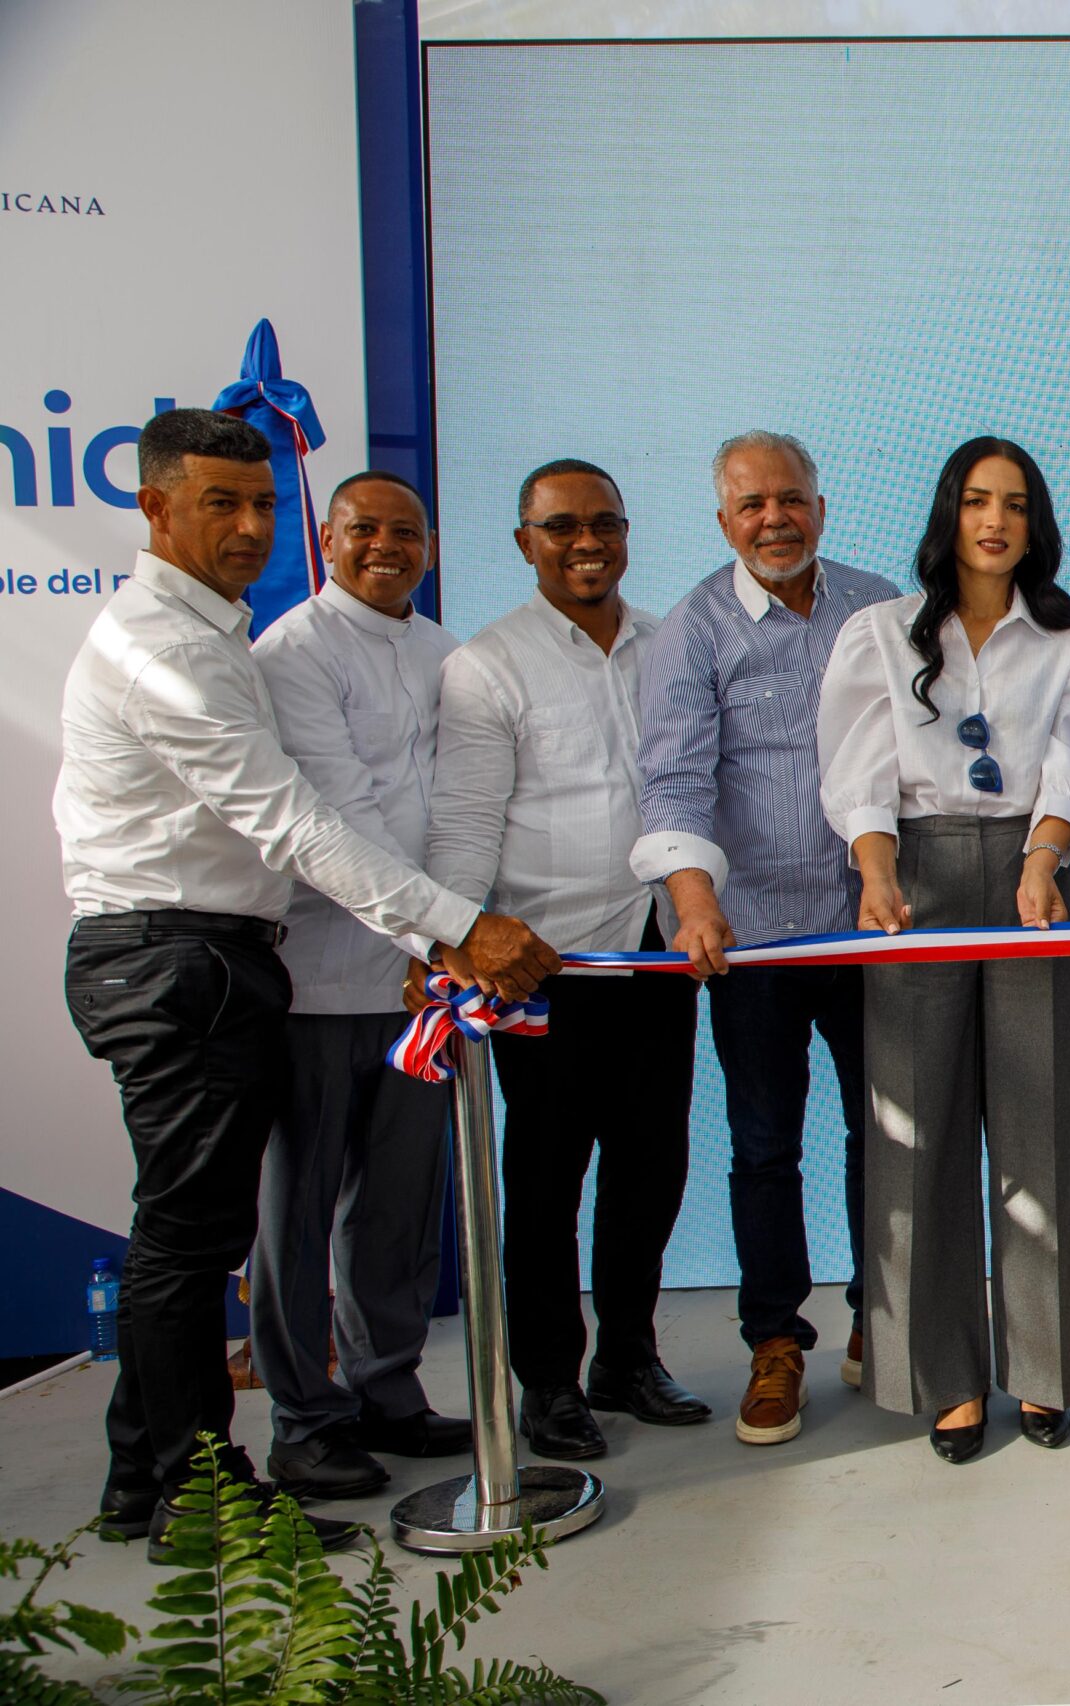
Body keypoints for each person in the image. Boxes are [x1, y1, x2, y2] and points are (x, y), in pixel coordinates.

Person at [58, 410, 555, 1561]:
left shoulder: (217, 630)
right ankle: (200, 1492)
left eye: (259, 504)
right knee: (195, 1236)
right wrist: (455, 924)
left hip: (217, 954)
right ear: (154, 507)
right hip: (173, 953)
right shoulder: (172, 647)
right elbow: (291, 819)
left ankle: (151, 1478)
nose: (246, 526)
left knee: (190, 1229)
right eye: (219, 503)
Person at [816, 437, 1070, 1465]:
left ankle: (1043, 1367)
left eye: (1016, 504)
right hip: (916, 876)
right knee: (916, 1130)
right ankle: (944, 1376)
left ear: (1036, 524)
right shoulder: (879, 632)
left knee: (1043, 1127)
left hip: (1036, 872)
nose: (995, 520)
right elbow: (857, 771)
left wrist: (1042, 858)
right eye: (978, 500)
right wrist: (877, 869)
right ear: (950, 512)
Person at [432, 458, 712, 1462]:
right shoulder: (488, 665)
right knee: (546, 1180)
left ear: (627, 532)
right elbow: (463, 824)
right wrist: (462, 937)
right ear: (523, 542)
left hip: (653, 953)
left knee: (652, 1165)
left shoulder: (669, 644)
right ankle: (547, 1378)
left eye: (604, 523)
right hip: (541, 967)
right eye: (561, 527)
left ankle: (626, 1357)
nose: (585, 542)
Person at [631, 430, 899, 1447]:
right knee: (762, 1144)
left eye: (790, 498)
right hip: (749, 941)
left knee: (890, 1134)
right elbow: (673, 781)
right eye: (752, 505)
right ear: (724, 521)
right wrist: (694, 900)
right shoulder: (690, 631)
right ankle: (774, 1340)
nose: (773, 518)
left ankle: (887, 1318)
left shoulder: (878, 606)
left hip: (872, 923)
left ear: (820, 508)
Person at [246, 471, 471, 1501]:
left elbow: (462, 804)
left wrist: (443, 940)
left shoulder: (441, 651)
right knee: (294, 1215)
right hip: (316, 975)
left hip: (421, 983)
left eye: (406, 531)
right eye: (364, 530)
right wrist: (437, 928)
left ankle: (388, 1389)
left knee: (396, 1207)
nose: (387, 546)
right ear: (328, 537)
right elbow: (338, 821)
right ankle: (306, 1416)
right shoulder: (291, 653)